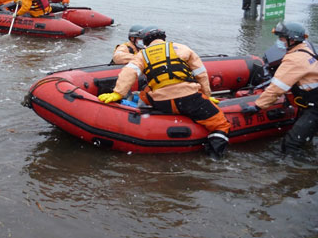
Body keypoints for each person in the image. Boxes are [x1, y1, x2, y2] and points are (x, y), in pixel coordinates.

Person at [98, 26, 230, 159]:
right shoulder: (182, 48)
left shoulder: (142, 55)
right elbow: (201, 74)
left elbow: (129, 72)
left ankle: (143, 112)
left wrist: (118, 93)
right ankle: (214, 157)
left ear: (145, 42)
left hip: (161, 102)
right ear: (163, 38)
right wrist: (206, 96)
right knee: (220, 124)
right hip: (189, 100)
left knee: (144, 92)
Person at [244, 22, 318, 153]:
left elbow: (277, 88)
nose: (280, 41)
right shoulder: (307, 47)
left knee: (291, 144)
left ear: (292, 39)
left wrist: (257, 106)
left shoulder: (294, 60)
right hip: (310, 102)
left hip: (315, 107)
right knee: (306, 136)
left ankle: (295, 171)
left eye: (282, 38)